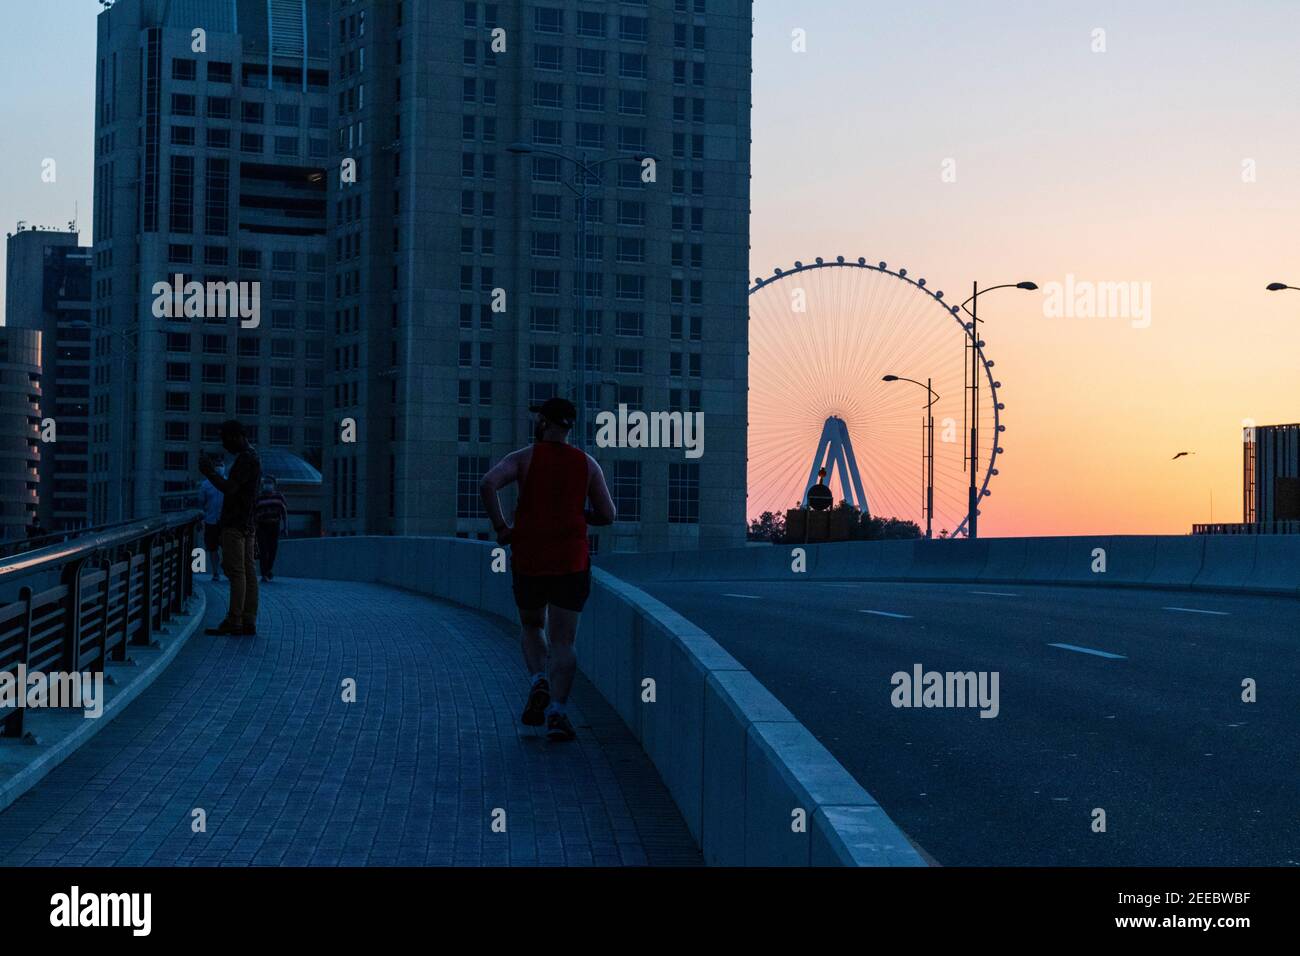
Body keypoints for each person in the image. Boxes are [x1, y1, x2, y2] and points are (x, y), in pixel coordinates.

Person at [479, 397, 616, 742]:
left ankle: (538, 679)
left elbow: (488, 483)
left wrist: (501, 528)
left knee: (531, 624)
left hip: (529, 559)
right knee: (564, 640)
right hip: (571, 561)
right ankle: (557, 712)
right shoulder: (587, 465)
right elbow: (608, 515)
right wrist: (580, 516)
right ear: (569, 426)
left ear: (543, 422)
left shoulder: (524, 458)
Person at [198, 421, 262, 637]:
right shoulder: (252, 457)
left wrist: (209, 472)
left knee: (237, 572)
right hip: (247, 522)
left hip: (235, 524)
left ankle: (234, 620)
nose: (225, 446)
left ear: (236, 437)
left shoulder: (246, 460)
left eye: (226, 440)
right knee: (248, 572)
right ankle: (248, 619)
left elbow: (230, 488)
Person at [255, 475, 289, 583]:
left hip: (274, 526)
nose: (267, 485)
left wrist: (285, 527)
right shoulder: (258, 498)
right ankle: (264, 574)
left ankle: (268, 569)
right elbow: (253, 513)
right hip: (262, 527)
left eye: (270, 483)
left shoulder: (279, 497)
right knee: (263, 550)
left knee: (272, 550)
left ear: (274, 485)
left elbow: (284, 513)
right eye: (265, 483)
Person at [197, 456, 225, 582]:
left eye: (221, 465)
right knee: (212, 548)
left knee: (228, 548)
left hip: (226, 522)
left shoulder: (228, 482)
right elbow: (201, 503)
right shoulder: (205, 485)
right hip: (211, 521)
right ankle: (215, 572)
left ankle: (227, 568)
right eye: (217, 465)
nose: (219, 467)